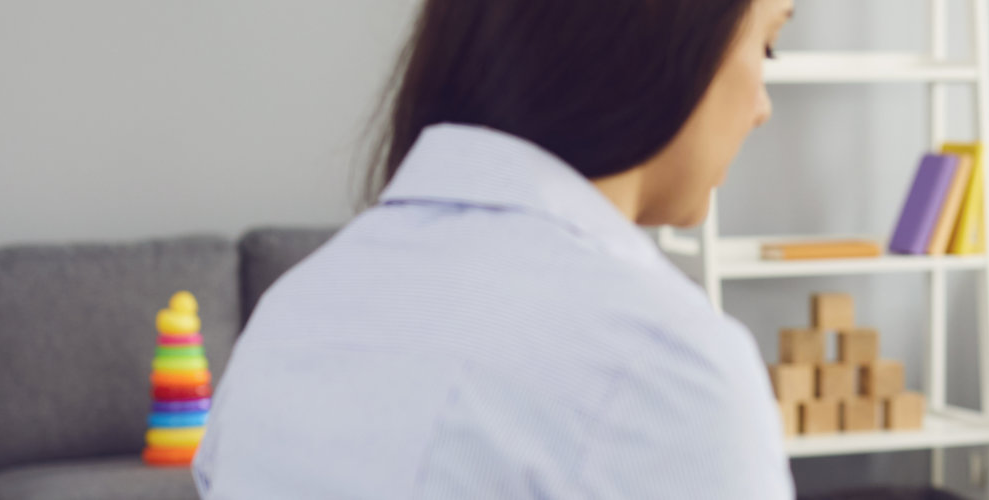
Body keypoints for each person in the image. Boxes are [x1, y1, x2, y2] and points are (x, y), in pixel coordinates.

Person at [194, 0, 796, 497]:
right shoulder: (668, 365)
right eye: (765, 45)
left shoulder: (290, 316)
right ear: (662, 34)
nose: (763, 109)